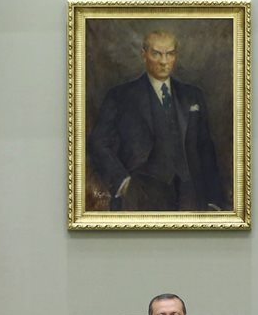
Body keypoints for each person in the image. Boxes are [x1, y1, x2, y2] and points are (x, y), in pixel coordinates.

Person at [87, 30, 226, 212]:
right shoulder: (120, 96)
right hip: (138, 196)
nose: (163, 61)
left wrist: (214, 200)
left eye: (169, 54)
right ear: (144, 54)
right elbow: (98, 143)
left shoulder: (192, 96)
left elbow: (205, 149)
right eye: (156, 54)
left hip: (190, 196)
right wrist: (122, 182)